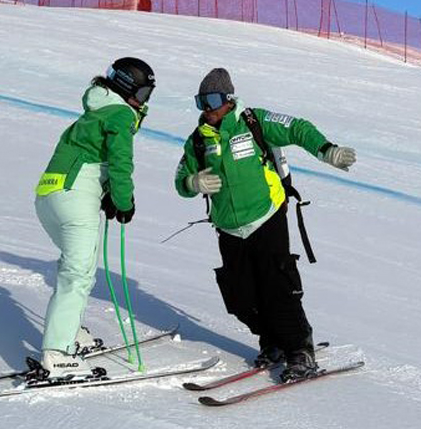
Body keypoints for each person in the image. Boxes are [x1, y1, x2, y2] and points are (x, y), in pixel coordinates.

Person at [174, 68, 356, 381]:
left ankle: (299, 349)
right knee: (240, 296)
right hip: (229, 227)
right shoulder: (198, 141)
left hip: (266, 216)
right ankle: (271, 341)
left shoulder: (253, 122)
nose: (207, 108)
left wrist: (327, 151)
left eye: (213, 99)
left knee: (277, 287)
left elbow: (297, 128)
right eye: (200, 101)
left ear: (228, 99)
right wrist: (193, 181)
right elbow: (180, 181)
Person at [32, 57, 155, 380]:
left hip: (49, 197)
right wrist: (123, 200)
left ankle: (69, 332)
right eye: (143, 94)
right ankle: (58, 353)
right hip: (75, 197)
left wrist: (105, 195)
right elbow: (120, 162)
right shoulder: (119, 114)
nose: (143, 103)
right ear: (127, 88)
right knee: (78, 273)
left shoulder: (92, 112)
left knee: (76, 267)